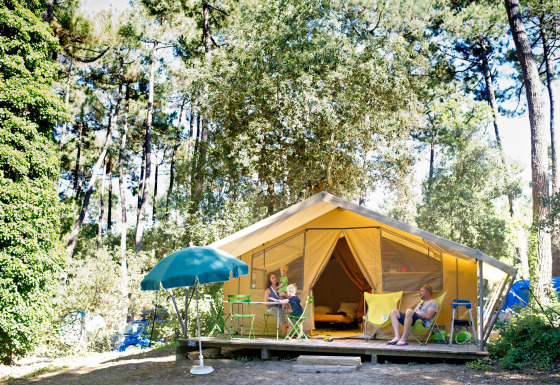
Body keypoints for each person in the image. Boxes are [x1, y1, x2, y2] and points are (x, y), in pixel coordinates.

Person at [264, 272, 287, 336]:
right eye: (272, 278)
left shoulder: (280, 287)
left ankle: (291, 333)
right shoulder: (268, 290)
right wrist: (276, 302)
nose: (274, 279)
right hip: (271, 309)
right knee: (281, 312)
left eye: (275, 277)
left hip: (281, 307)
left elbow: (286, 297)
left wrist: (285, 295)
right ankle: (284, 334)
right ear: (270, 280)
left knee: (291, 313)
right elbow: (266, 303)